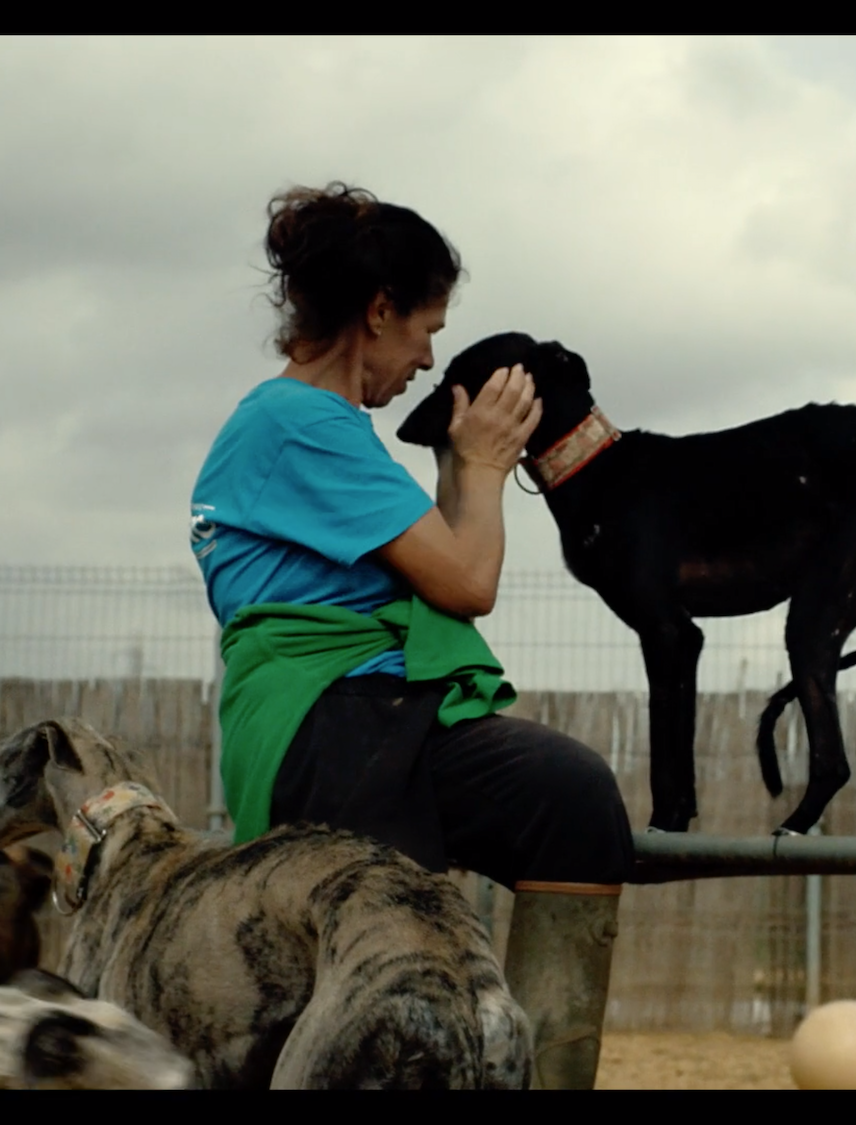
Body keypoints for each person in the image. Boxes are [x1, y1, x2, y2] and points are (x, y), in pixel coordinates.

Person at [188, 181, 636, 1090]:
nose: (430, 358)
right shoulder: (302, 425)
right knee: (565, 804)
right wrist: (481, 462)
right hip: (335, 722)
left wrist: (455, 466)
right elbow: (469, 582)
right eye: (427, 328)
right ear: (379, 310)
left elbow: (441, 565)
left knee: (562, 804)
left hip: (356, 716)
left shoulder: (315, 431)